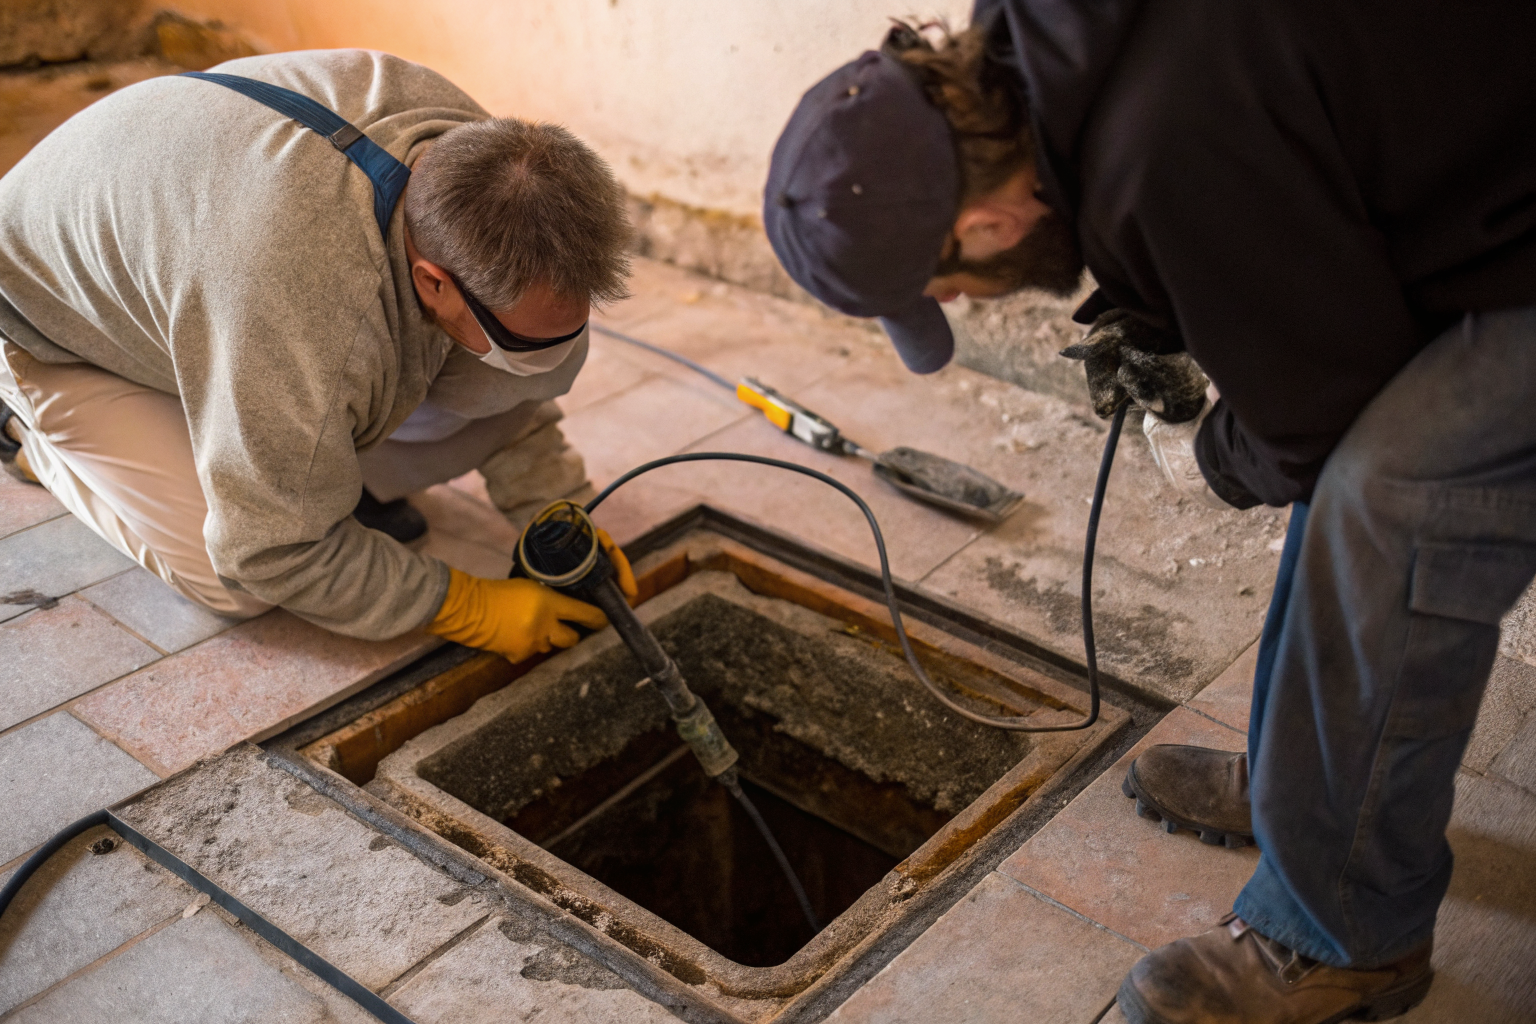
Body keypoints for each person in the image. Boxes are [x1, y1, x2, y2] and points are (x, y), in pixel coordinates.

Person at [762, 5, 1536, 1022]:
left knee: (1386, 494)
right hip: (1482, 181)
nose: (965, 301)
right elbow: (1240, 163)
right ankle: (1307, 788)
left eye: (945, 285)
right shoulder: (1039, 38)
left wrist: (1211, 453)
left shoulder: (1164, 146)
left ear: (983, 223)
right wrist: (1155, 296)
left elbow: (1315, 415)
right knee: (1354, 478)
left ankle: (1346, 929)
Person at [0, 49, 636, 662]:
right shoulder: (304, 299)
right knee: (236, 579)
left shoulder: (488, 167)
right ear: (433, 282)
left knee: (398, 385)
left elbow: (498, 391)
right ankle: (27, 433)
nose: (544, 358)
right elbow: (270, 552)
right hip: (44, 321)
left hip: (191, 257)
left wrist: (555, 506)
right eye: (523, 343)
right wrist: (462, 604)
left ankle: (276, 440)